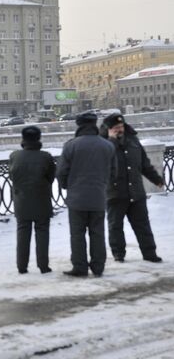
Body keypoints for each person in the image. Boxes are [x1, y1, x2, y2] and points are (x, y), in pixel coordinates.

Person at [57, 112, 116, 277]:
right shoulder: (107, 145)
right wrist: (103, 186)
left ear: (79, 125)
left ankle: (80, 267)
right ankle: (98, 267)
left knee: (77, 234)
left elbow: (61, 172)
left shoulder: (71, 145)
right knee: (97, 233)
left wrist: (67, 186)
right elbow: (114, 172)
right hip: (98, 196)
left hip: (76, 198)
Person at [100, 113, 164, 263]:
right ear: (108, 129)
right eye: (116, 128)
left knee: (142, 225)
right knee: (115, 226)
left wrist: (156, 179)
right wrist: (112, 141)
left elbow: (144, 164)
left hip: (136, 192)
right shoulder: (103, 144)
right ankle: (118, 254)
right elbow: (102, 165)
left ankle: (150, 253)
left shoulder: (133, 141)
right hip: (115, 193)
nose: (119, 130)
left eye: (121, 127)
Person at [9, 126, 56, 274]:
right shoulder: (46, 157)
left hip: (21, 201)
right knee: (42, 232)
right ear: (39, 138)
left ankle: (21, 266)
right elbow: (51, 178)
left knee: (23, 232)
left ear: (23, 139)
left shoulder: (14, 156)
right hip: (42, 199)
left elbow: (12, 177)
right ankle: (43, 266)